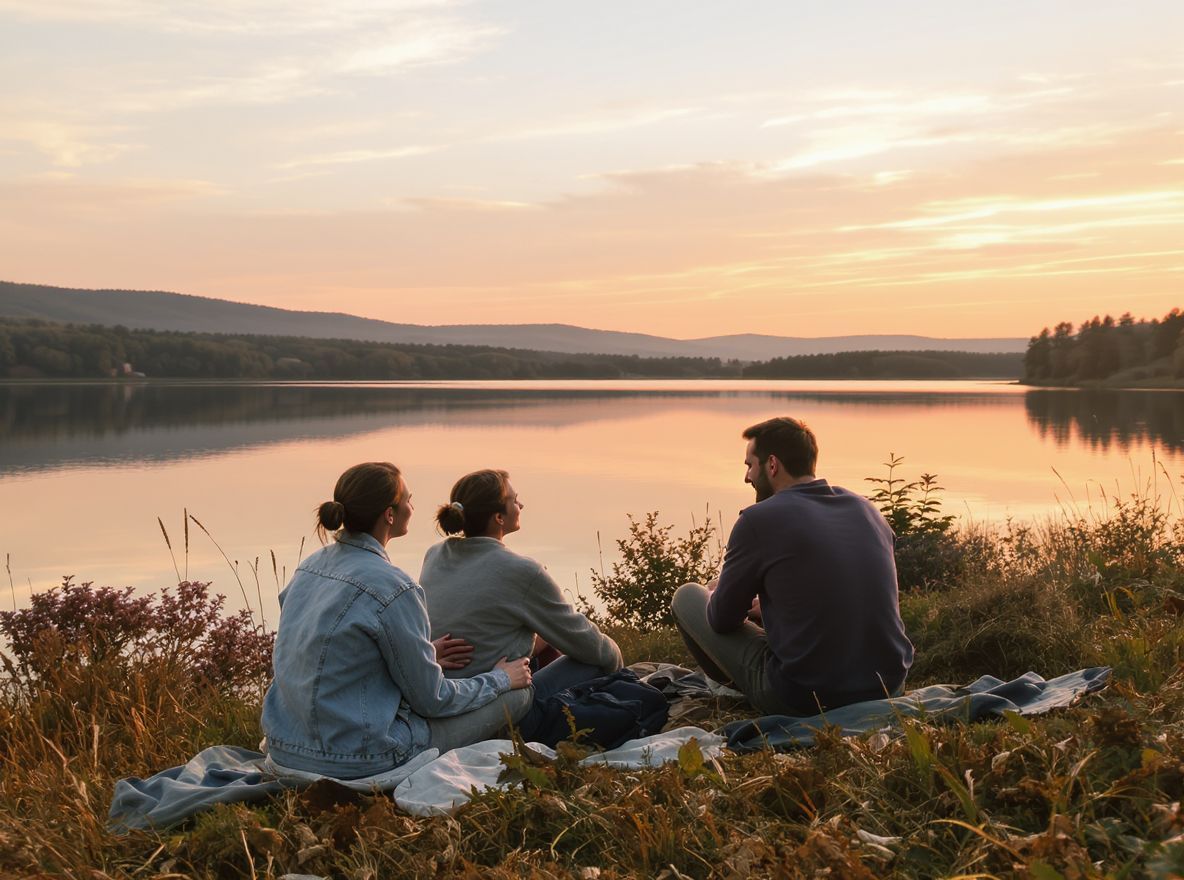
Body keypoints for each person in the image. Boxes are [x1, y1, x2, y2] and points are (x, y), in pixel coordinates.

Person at [261, 462, 533, 779]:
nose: (413, 507)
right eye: (408, 499)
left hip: (285, 747)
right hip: (361, 757)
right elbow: (434, 701)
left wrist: (421, 654)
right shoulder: (394, 587)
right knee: (519, 694)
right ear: (390, 514)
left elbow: (331, 652)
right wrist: (501, 678)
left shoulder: (308, 568)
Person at [671, 418, 914, 716]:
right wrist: (772, 607)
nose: (747, 477)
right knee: (731, 593)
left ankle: (731, 687)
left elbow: (722, 620)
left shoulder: (758, 520)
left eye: (750, 465)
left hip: (805, 697)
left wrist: (719, 592)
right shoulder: (865, 509)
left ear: (772, 465)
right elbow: (847, 589)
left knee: (690, 595)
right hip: (888, 685)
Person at [419, 469, 622, 734]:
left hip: (445, 699)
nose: (521, 505)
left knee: (546, 639)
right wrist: (618, 663)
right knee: (595, 658)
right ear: (499, 517)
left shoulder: (435, 554)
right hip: (503, 708)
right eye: (515, 500)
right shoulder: (521, 571)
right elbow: (593, 648)